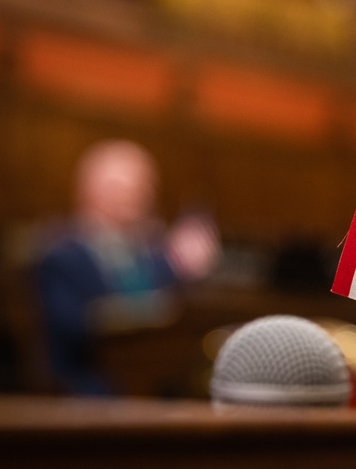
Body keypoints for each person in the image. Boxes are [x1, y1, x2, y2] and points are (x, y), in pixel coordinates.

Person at [34, 140, 218, 395]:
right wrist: (174, 265)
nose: (140, 195)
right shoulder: (63, 257)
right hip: (88, 386)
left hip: (148, 383)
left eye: (145, 186)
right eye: (125, 186)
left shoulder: (149, 255)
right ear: (91, 189)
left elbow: (171, 310)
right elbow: (75, 329)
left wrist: (179, 264)